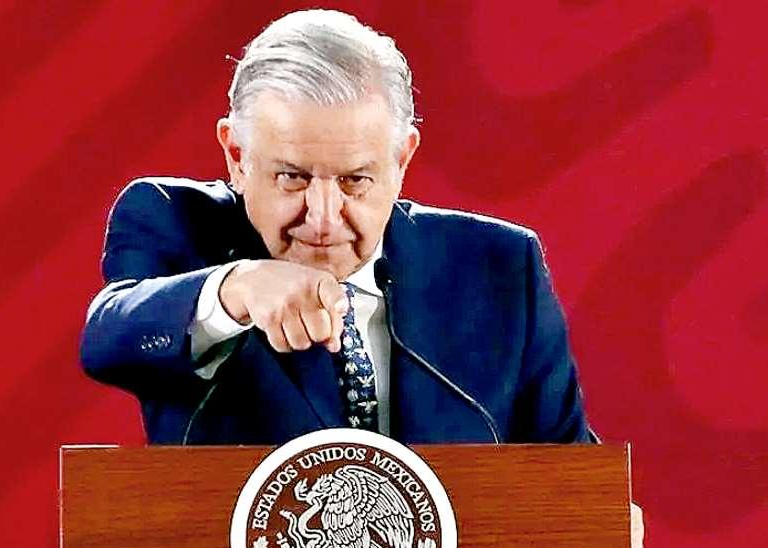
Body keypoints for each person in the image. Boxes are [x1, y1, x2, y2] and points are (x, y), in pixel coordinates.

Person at [80, 9, 593, 448]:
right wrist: (236, 288)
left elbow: (569, 474)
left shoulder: (502, 266)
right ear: (236, 155)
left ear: (402, 160)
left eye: (354, 181)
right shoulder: (175, 221)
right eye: (292, 177)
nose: (323, 218)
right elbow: (107, 340)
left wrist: (606, 517)